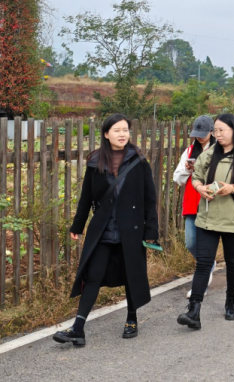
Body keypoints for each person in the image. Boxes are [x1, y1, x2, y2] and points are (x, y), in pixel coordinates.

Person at [54, 114, 158, 346]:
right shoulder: (95, 161)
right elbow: (86, 197)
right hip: (102, 230)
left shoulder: (139, 161)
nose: (122, 134)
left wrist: (151, 230)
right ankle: (78, 328)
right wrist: (78, 225)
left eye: (125, 130)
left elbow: (150, 199)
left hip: (131, 230)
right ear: (106, 134)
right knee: (92, 276)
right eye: (117, 130)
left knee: (131, 275)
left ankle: (132, 320)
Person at [177, 113, 234, 329]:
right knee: (203, 263)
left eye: (221, 130)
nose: (217, 134)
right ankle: (194, 310)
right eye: (215, 130)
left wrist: (233, 188)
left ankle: (231, 304)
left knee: (233, 262)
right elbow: (196, 177)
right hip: (207, 217)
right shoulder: (208, 155)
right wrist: (200, 188)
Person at [172, 115, 216, 298]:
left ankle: (201, 282)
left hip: (213, 202)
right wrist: (187, 169)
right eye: (196, 133)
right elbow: (177, 178)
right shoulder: (190, 151)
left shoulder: (219, 150)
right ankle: (208, 263)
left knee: (205, 243)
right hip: (192, 202)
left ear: (212, 132)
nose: (199, 137)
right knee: (190, 242)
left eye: (203, 134)